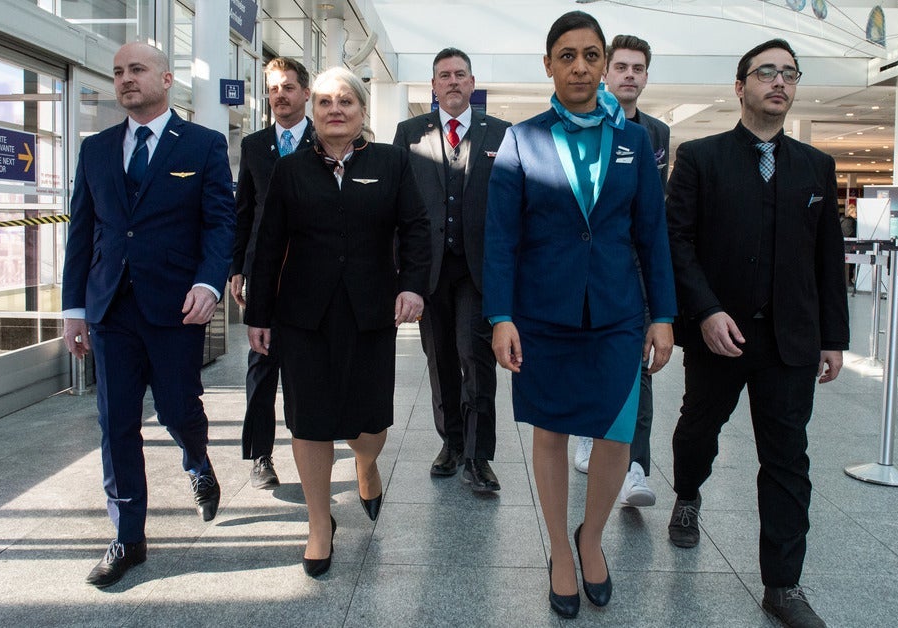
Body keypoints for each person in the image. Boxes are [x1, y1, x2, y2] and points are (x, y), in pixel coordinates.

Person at [485, 11, 676, 618]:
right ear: (549, 64)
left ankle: (588, 537)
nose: (580, 66)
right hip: (544, 312)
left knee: (617, 432)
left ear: (603, 63)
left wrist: (663, 314)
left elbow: (652, 234)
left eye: (591, 55)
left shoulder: (634, 142)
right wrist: (500, 315)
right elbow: (500, 237)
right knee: (551, 430)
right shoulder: (523, 138)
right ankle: (559, 554)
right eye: (567, 56)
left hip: (618, 310)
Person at [665, 39, 849, 628]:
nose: (779, 82)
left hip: (790, 341)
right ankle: (688, 495)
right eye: (766, 72)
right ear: (739, 85)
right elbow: (679, 244)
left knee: (787, 459)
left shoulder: (815, 166)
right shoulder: (700, 157)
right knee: (698, 429)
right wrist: (707, 311)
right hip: (721, 333)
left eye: (789, 74)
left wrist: (833, 337)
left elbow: (828, 258)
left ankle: (783, 585)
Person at [61, 41, 235, 588]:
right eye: (118, 72)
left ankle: (197, 460)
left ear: (165, 78)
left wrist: (210, 283)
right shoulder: (96, 150)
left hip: (176, 306)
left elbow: (219, 224)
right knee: (116, 423)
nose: (125, 79)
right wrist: (73, 309)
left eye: (136, 70)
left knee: (179, 409)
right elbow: (81, 234)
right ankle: (128, 536)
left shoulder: (203, 145)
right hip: (111, 307)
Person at [246, 67, 430, 579]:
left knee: (369, 425)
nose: (334, 109)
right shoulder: (290, 171)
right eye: (325, 101)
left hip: (372, 311)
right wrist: (257, 314)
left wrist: (412, 285)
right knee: (309, 419)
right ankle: (319, 524)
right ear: (314, 109)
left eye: (345, 101)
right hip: (303, 314)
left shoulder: (392, 163)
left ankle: (366, 466)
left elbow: (415, 227)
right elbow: (267, 246)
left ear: (362, 111)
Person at [393, 48, 510, 493]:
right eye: (445, 76)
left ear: (472, 81)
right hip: (428, 270)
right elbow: (399, 205)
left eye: (461, 74)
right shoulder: (408, 133)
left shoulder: (500, 132)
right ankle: (452, 443)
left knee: (475, 356)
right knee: (439, 358)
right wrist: (402, 275)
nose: (454, 81)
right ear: (434, 86)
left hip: (479, 270)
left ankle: (479, 457)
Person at [574, 33, 670, 510]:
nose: (630, 75)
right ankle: (591, 432)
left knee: (641, 368)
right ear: (606, 73)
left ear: (646, 77)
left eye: (638, 68)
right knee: (589, 357)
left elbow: (653, 214)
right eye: (622, 67)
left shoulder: (655, 135)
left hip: (636, 273)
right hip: (590, 270)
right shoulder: (585, 125)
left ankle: (635, 467)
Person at [229, 57, 314, 490]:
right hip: (263, 272)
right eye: (273, 88)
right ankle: (261, 454)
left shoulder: (326, 140)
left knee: (305, 368)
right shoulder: (255, 145)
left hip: (310, 274)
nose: (279, 95)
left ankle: (311, 444)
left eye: (288, 87)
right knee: (261, 365)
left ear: (305, 93)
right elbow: (243, 211)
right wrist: (236, 268)